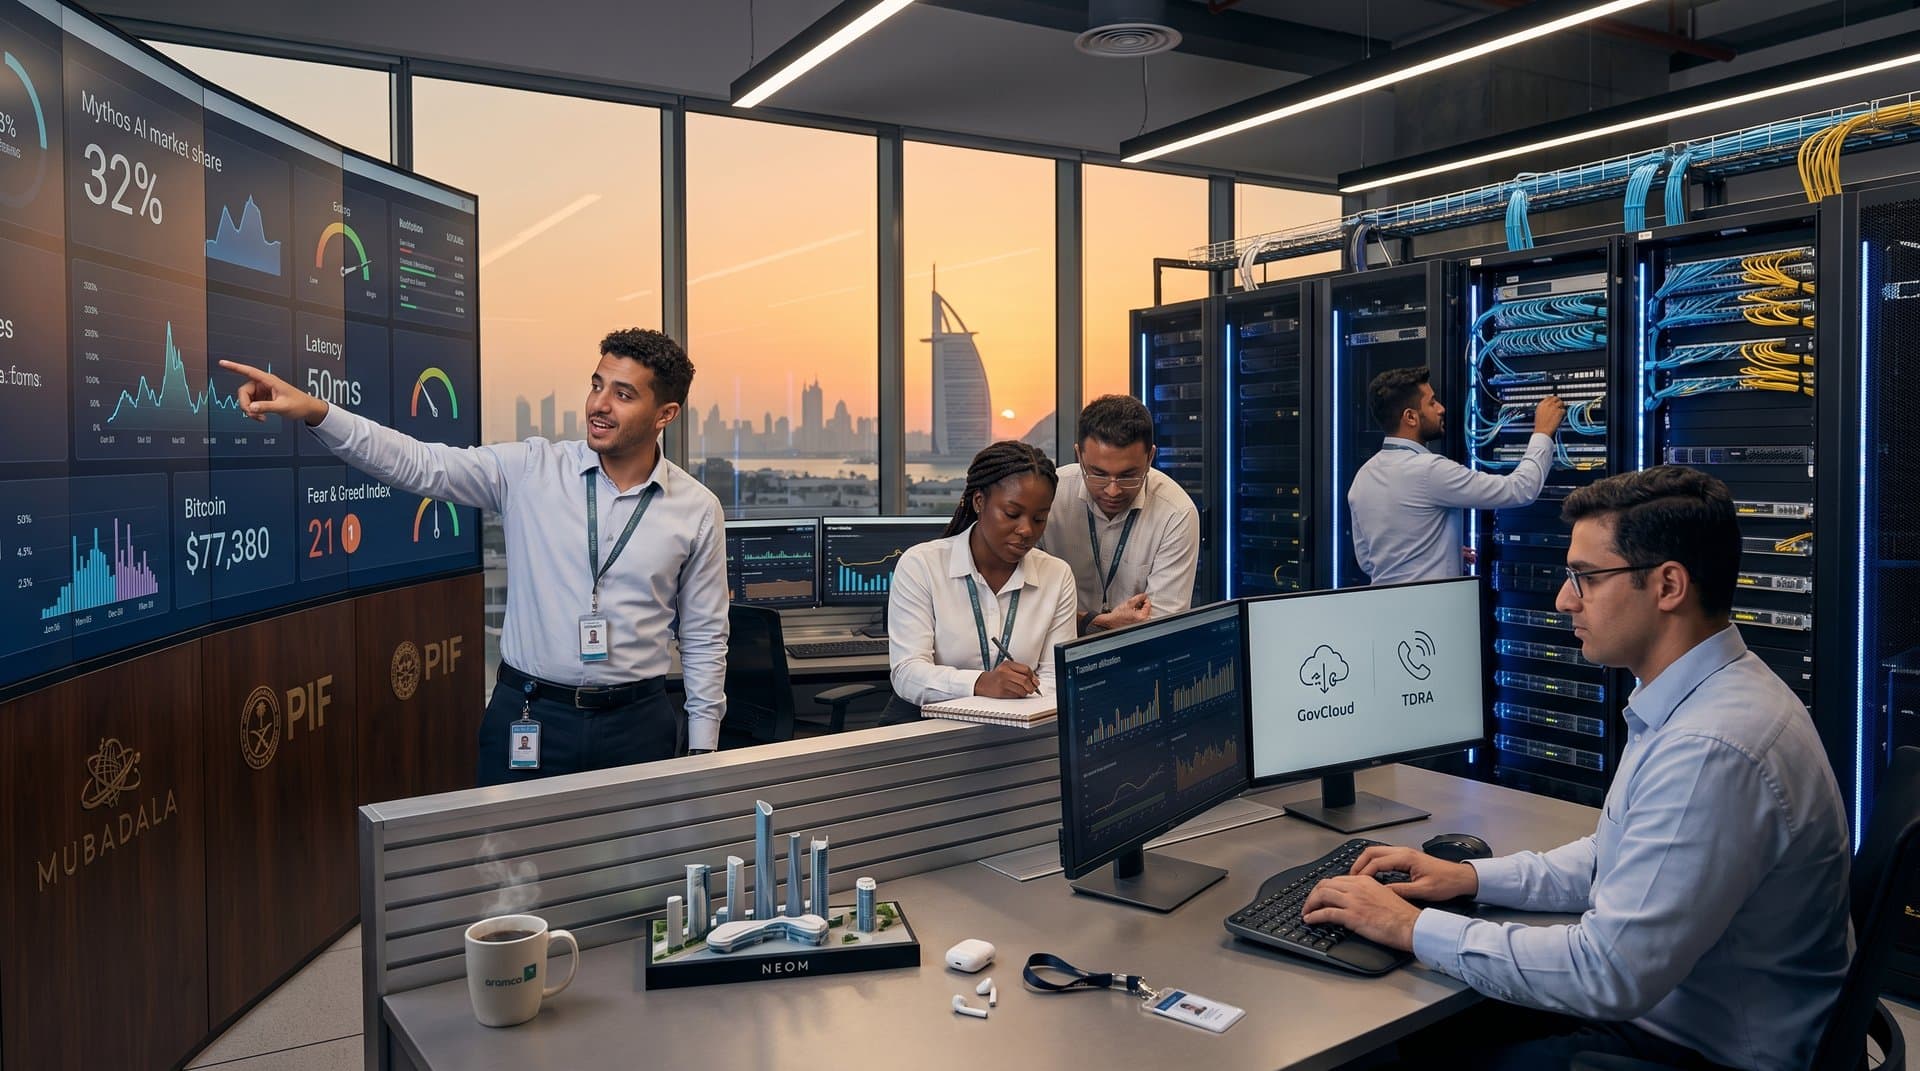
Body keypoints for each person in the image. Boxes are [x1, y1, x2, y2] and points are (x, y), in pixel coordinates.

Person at [1302, 466, 1850, 1071]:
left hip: (1698, 1051)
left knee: (1387, 1052)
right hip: (1676, 1011)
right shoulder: (1702, 696)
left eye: (1585, 578)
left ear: (1668, 586)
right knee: (1423, 1027)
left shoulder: (1712, 747)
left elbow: (1608, 973)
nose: (1564, 598)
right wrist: (1469, 879)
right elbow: (1611, 859)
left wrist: (1412, 927)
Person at [219, 328, 729, 785]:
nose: (600, 404)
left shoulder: (697, 510)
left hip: (636, 726)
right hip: (529, 715)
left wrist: (704, 748)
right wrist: (315, 410)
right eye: (597, 385)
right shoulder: (531, 469)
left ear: (665, 415)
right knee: (506, 881)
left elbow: (705, 635)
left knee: (631, 883)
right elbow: (419, 464)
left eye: (623, 394)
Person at [883, 441, 1079, 719]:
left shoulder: (1057, 576)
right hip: (936, 730)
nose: (1026, 530)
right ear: (979, 502)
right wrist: (981, 683)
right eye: (1012, 514)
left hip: (1022, 732)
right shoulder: (922, 565)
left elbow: (1054, 680)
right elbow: (907, 672)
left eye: (1039, 518)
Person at [1347, 366, 1565, 583]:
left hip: (1385, 608)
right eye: (1432, 402)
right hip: (1434, 609)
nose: (1441, 408)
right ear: (1410, 417)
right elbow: (1519, 490)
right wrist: (1542, 433)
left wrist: (1435, 552)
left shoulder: (1363, 477)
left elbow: (1369, 560)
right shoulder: (1430, 470)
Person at [1039, 394, 1199, 634]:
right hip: (1052, 653)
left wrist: (1073, 619)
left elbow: (1161, 629)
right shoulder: (1049, 495)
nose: (1112, 490)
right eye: (1098, 473)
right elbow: (1025, 609)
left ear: (1150, 458)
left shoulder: (1176, 514)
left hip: (1135, 659)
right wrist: (1097, 622)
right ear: (1079, 455)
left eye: (1128, 475)